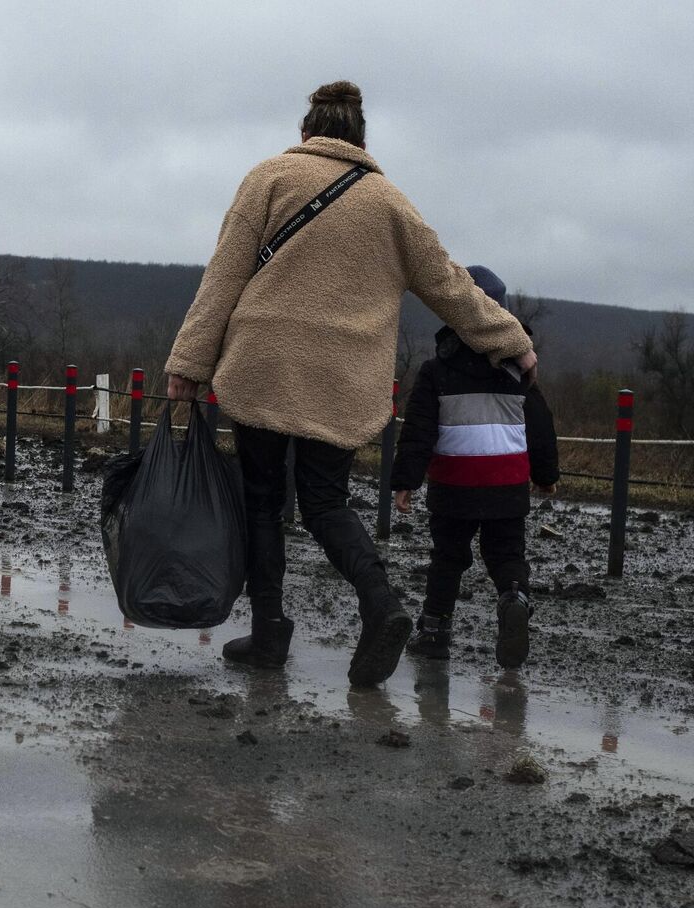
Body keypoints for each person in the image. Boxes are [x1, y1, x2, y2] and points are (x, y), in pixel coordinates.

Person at [165, 80, 537, 688]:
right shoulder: (390, 203)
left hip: (265, 363)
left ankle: (269, 633)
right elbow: (450, 286)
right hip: (342, 379)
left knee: (262, 502)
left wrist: (189, 362)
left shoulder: (267, 179)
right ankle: (381, 604)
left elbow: (224, 274)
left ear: (307, 134)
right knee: (325, 503)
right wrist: (512, 341)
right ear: (361, 140)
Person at [389, 265, 559, 668]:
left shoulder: (436, 371)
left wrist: (405, 481)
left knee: (448, 557)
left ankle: (434, 632)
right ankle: (514, 598)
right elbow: (540, 425)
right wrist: (546, 475)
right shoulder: (520, 372)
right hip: (507, 485)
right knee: (506, 554)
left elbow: (418, 431)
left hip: (454, 485)